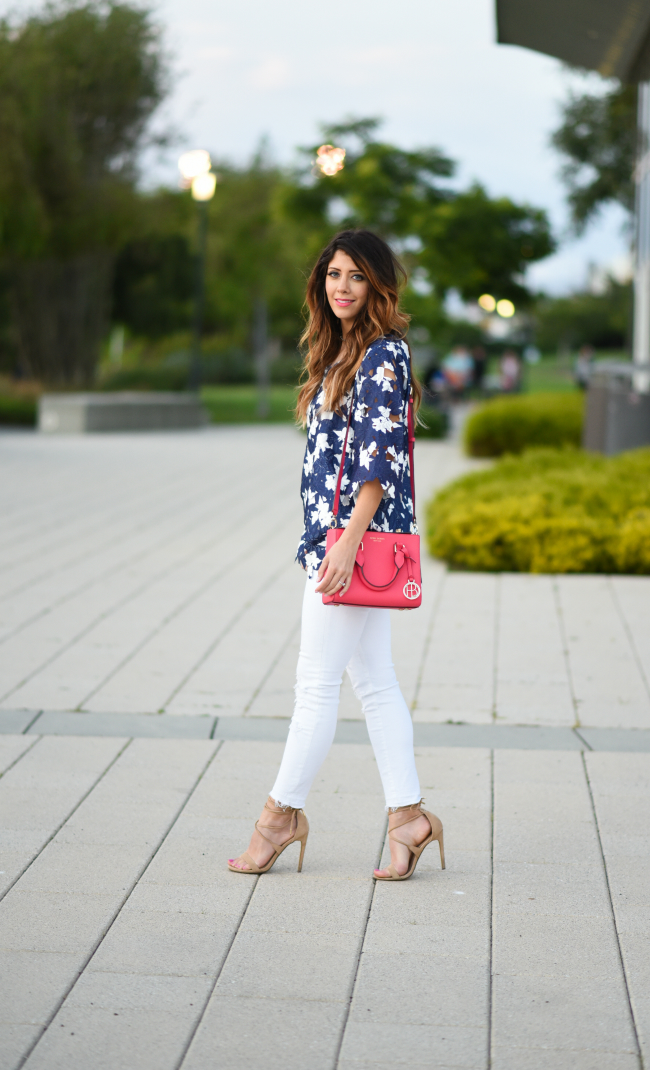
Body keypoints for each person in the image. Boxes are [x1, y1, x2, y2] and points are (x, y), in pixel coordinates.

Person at [228, 229, 444, 881]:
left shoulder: (383, 355)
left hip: (354, 541)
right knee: (373, 681)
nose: (342, 286)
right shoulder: (340, 351)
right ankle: (408, 818)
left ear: (379, 284)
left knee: (316, 683)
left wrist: (347, 543)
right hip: (335, 538)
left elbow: (379, 459)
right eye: (333, 274)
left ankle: (279, 817)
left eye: (355, 275)